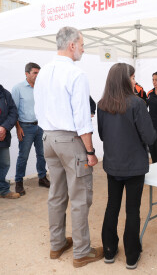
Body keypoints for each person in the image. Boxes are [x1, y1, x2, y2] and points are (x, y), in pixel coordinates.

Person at [34, 26, 103, 268]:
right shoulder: (76, 74)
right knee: (80, 196)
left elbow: (39, 109)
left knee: (56, 194)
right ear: (72, 45)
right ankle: (82, 251)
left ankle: (57, 244)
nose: (84, 48)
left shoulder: (42, 73)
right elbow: (82, 118)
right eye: (82, 44)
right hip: (70, 140)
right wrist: (91, 152)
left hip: (48, 138)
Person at [98, 63, 156, 269]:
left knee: (112, 206)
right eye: (132, 77)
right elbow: (150, 136)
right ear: (124, 79)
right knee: (132, 210)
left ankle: (109, 250)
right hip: (133, 166)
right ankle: (131, 255)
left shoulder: (102, 104)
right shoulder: (137, 103)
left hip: (113, 164)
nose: (135, 81)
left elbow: (103, 134)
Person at [11, 62, 49, 196]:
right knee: (23, 156)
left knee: (42, 154)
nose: (37, 75)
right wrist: (18, 128)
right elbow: (13, 110)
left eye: (39, 73)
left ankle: (42, 177)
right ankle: (19, 182)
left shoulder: (41, 87)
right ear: (27, 74)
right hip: (25, 127)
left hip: (40, 126)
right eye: (35, 73)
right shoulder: (18, 88)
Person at [0, 84, 19, 199]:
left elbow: (13, 113)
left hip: (3, 136)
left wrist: (4, 128)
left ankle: (3, 190)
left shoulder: (5, 94)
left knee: (4, 164)